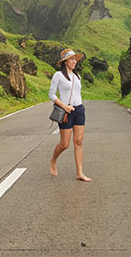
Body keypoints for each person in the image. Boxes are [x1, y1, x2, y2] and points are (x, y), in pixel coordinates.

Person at [49, 48, 91, 182]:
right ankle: (53, 160)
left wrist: (77, 106)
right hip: (66, 111)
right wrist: (64, 106)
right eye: (72, 59)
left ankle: (80, 172)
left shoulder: (77, 76)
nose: (74, 62)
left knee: (78, 142)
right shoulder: (58, 75)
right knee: (65, 144)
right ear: (65, 61)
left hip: (79, 110)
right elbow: (51, 94)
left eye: (75, 59)